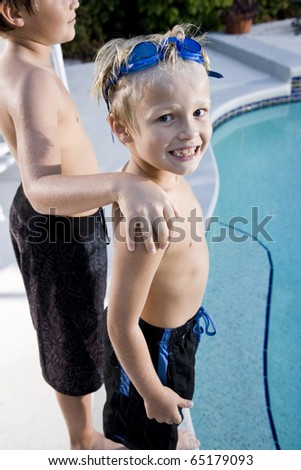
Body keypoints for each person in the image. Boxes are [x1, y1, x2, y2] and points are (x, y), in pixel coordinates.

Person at [0, 0, 179, 450]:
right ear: (13, 12)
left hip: (54, 223)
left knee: (65, 325)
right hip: (59, 231)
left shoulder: (19, 61)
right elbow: (41, 185)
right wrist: (121, 185)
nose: (74, 0)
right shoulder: (34, 80)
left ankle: (81, 427)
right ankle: (83, 438)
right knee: (71, 338)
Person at [92, 23, 221, 450]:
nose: (190, 132)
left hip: (178, 334)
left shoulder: (164, 171)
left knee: (171, 427)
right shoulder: (146, 215)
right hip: (150, 349)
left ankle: (176, 428)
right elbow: (120, 324)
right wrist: (150, 390)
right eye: (166, 117)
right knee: (147, 439)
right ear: (123, 129)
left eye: (199, 112)